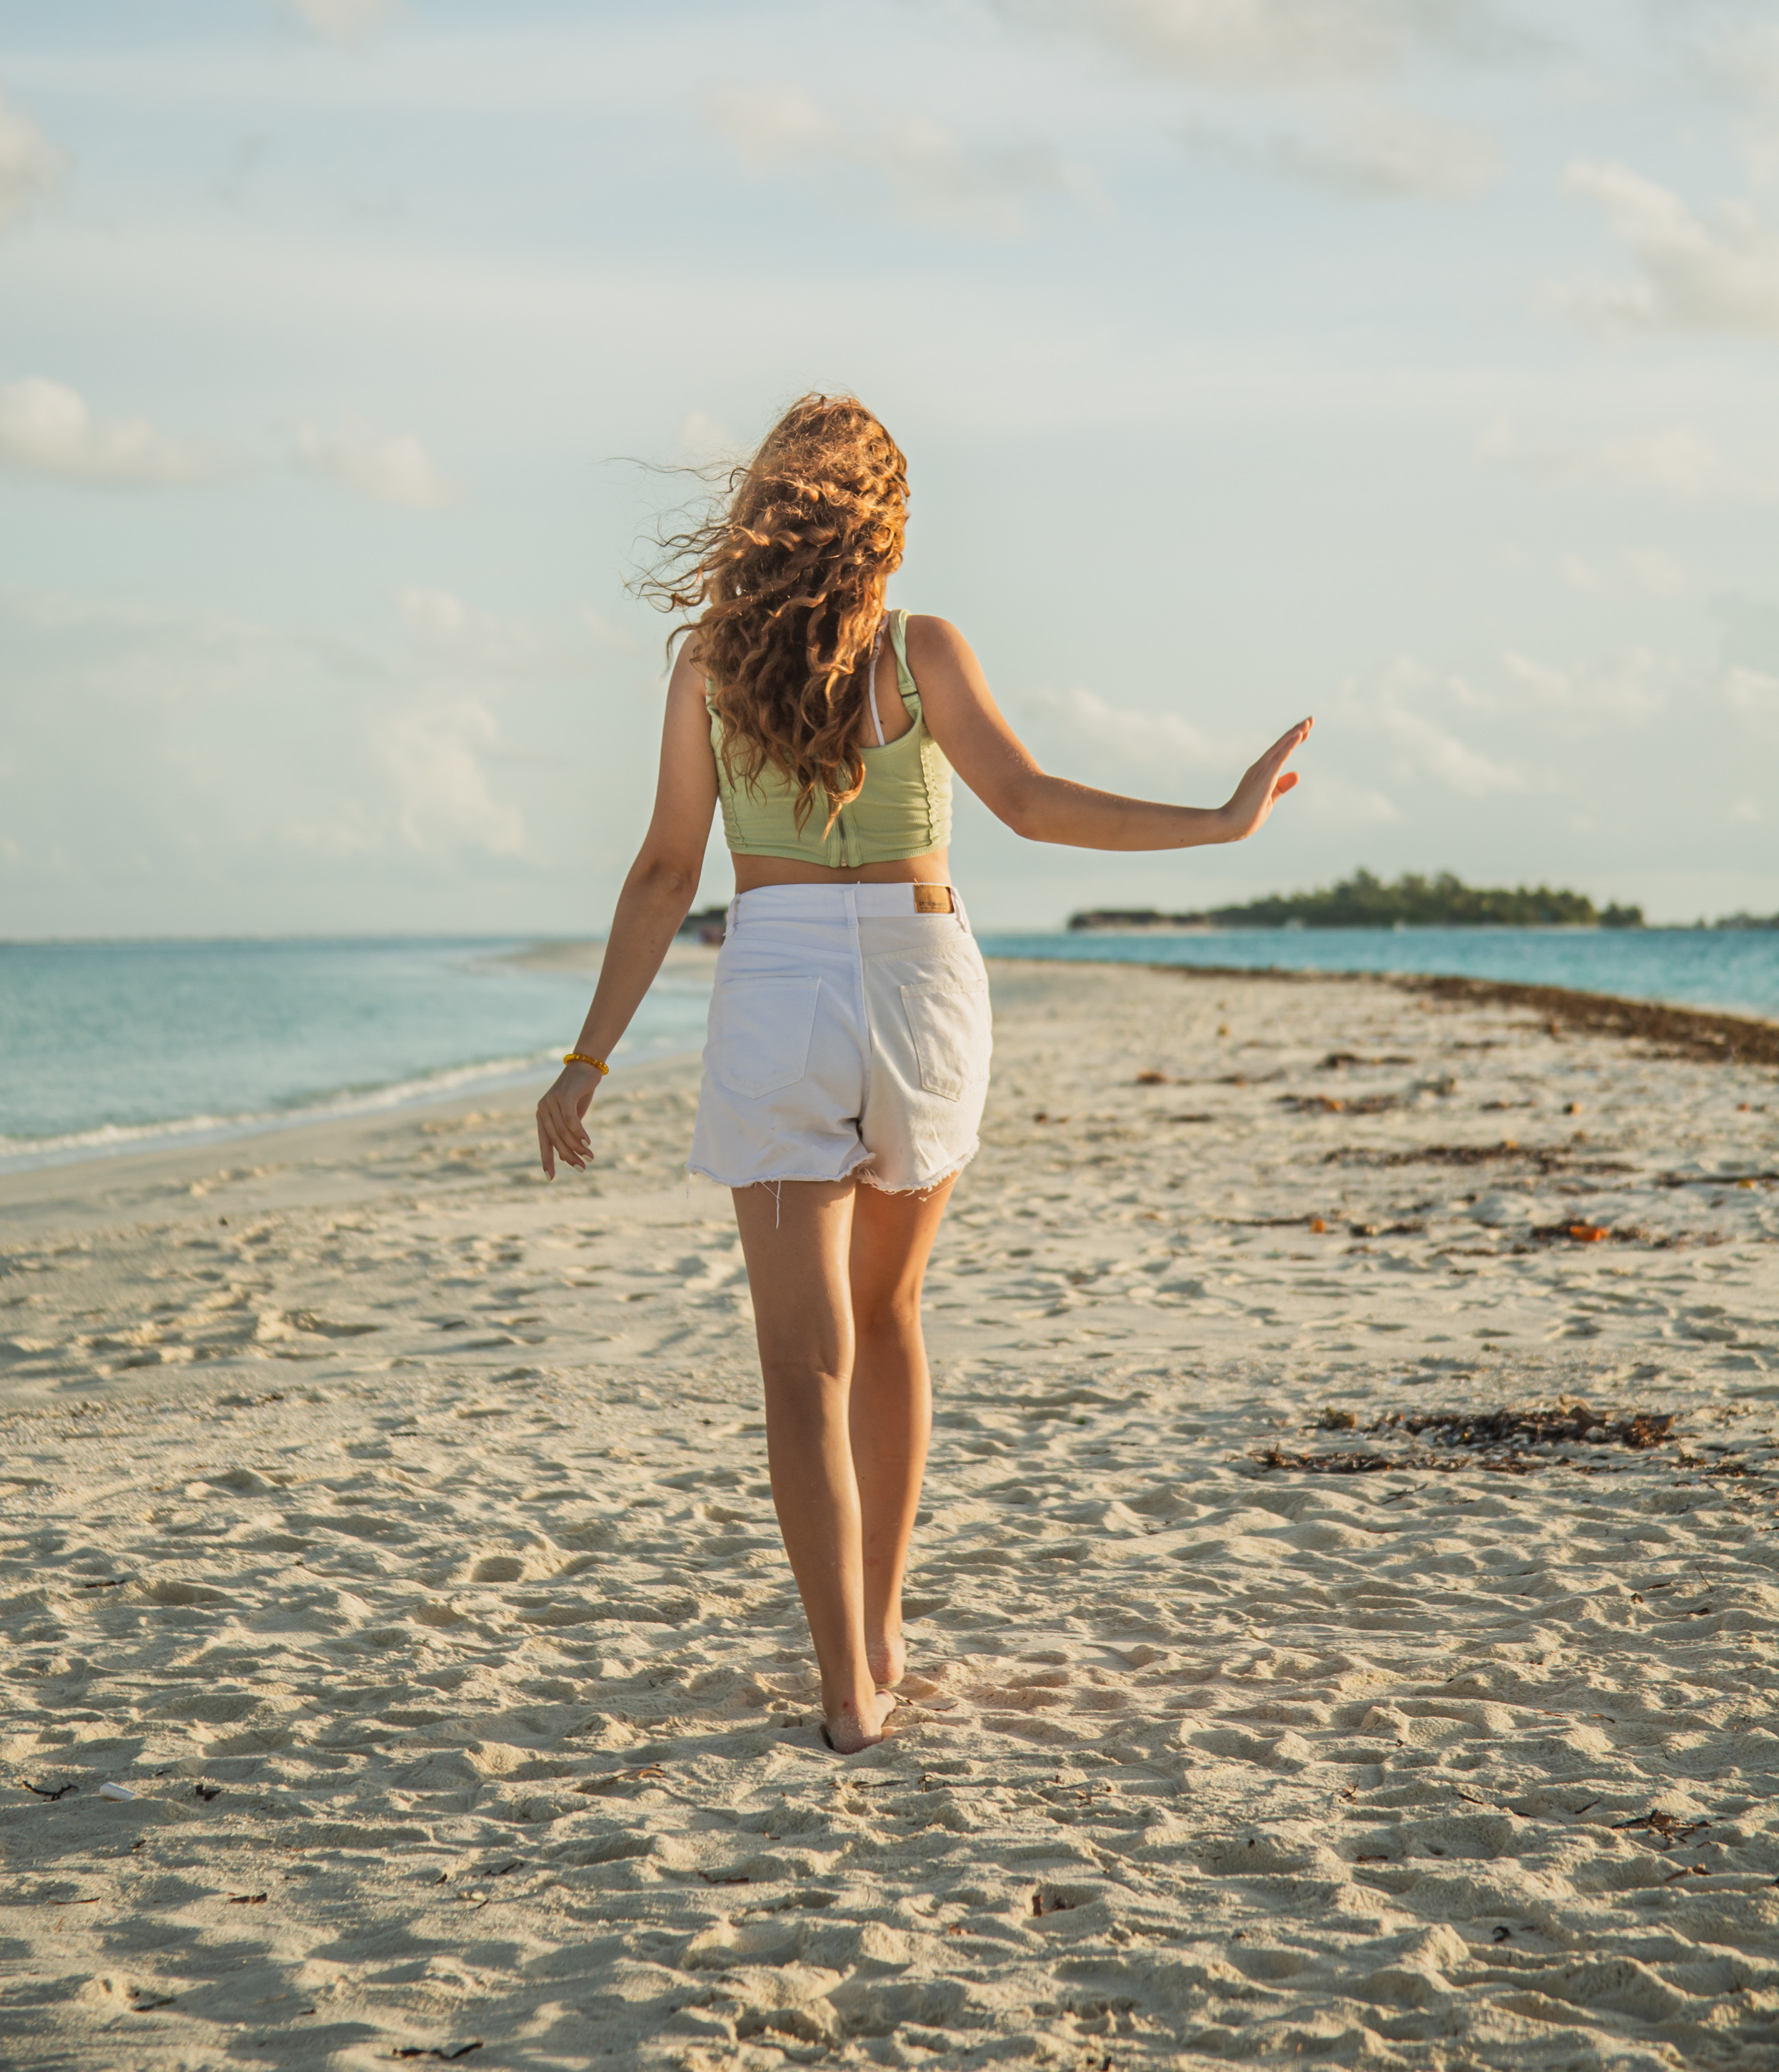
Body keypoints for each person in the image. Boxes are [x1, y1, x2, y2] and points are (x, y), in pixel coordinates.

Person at [535, 393, 1309, 1752]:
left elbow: (665, 871)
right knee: (888, 1316)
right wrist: (1220, 822)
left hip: (776, 983)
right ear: (884, 523)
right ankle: (887, 1634)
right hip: (922, 977)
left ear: (764, 517)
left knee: (802, 1363)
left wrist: (588, 1058)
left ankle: (847, 1691)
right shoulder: (918, 650)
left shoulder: (711, 668)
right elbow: (1033, 803)